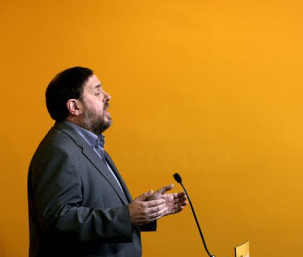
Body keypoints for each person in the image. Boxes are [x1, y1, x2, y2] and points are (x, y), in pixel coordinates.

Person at [27, 67, 188, 257]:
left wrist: (146, 211)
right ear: (74, 107)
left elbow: (99, 207)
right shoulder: (58, 150)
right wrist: (127, 217)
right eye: (97, 92)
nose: (107, 96)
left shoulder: (90, 145)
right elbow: (58, 221)